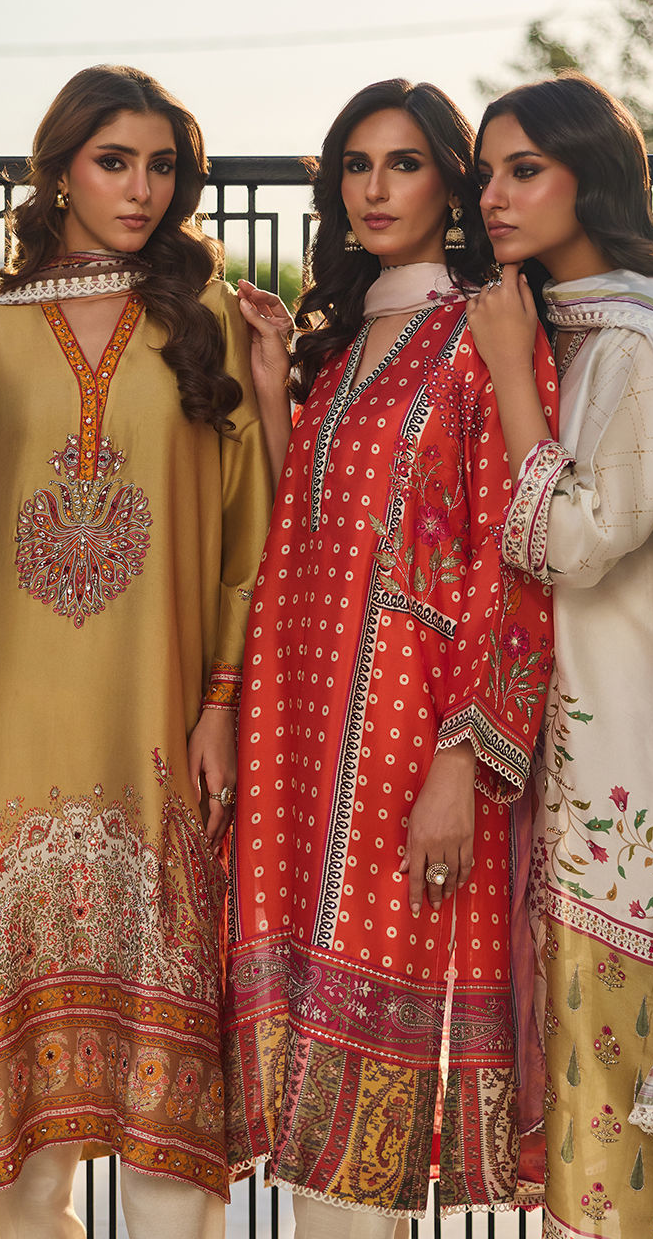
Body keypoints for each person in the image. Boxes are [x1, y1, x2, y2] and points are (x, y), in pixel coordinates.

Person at [0, 64, 271, 1237]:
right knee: (23, 1172)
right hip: (2, 752)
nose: (142, 189)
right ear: (60, 170)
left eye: (162, 166)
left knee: (172, 1141)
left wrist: (223, 701)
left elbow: (249, 532)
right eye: (116, 162)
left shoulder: (208, 326)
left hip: (157, 740)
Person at [222, 78, 558, 1235]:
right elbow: (304, 531)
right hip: (304, 743)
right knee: (318, 1152)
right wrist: (274, 384)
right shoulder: (346, 340)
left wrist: (460, 764)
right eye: (355, 165)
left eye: (403, 163)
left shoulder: (482, 335)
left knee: (371, 1147)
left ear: (451, 183)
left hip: (413, 748)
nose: (374, 188)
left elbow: (512, 557)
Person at [465, 73, 653, 1239]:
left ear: (593, 176)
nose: (493, 195)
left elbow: (575, 539)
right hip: (588, 763)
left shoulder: (641, 339)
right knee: (592, 1104)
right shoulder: (580, 327)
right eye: (486, 172)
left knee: (629, 1111)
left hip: (643, 789)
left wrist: (506, 373)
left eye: (523, 169)